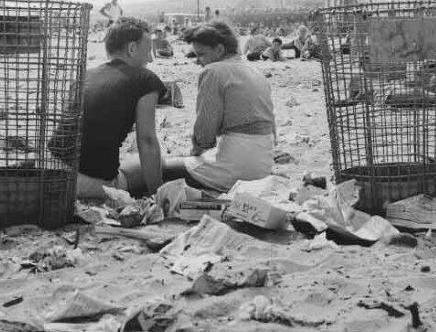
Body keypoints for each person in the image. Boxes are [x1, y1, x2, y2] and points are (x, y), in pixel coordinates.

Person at [49, 17, 166, 198]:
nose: (150, 59)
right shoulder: (145, 78)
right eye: (148, 51)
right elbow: (148, 140)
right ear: (132, 48)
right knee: (158, 165)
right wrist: (158, 196)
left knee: (132, 161)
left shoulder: (85, 76)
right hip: (87, 183)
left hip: (51, 169)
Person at [174, 21, 276, 192]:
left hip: (237, 166)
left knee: (155, 168)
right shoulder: (254, 71)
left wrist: (196, 152)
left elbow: (205, 132)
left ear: (220, 49)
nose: (198, 61)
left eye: (201, 54)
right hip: (262, 168)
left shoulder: (213, 71)